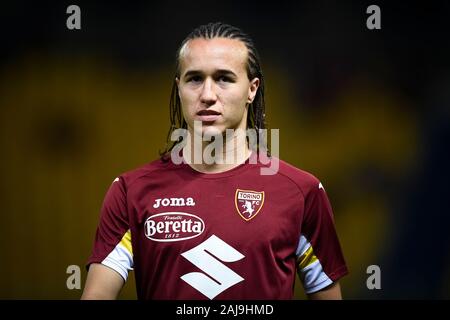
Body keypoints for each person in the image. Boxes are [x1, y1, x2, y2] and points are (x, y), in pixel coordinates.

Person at [81, 22, 348, 300]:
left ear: (252, 89)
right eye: (194, 79)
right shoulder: (130, 192)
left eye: (224, 78)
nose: (207, 95)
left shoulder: (302, 193)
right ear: (179, 87)